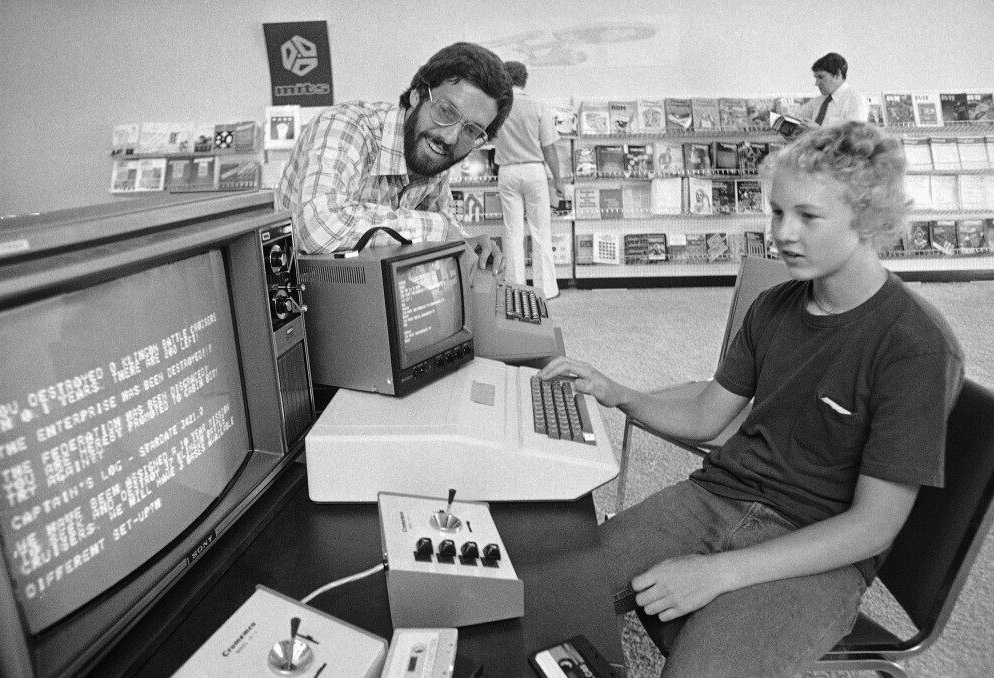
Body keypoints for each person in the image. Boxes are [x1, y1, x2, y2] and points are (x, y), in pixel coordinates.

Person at [539, 121, 964, 676]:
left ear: (868, 218)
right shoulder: (774, 307)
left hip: (817, 547)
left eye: (808, 217)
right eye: (777, 211)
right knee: (542, 600)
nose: (782, 233)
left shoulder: (917, 347)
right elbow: (708, 412)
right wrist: (617, 392)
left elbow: (872, 527)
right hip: (715, 497)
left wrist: (720, 572)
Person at [275, 42, 513, 271]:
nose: (451, 137)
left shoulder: (433, 153)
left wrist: (466, 240)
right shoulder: (348, 126)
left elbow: (445, 219)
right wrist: (442, 230)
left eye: (471, 130)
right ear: (417, 95)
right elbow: (318, 227)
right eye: (445, 110)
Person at [491, 60, 565, 299]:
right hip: (534, 171)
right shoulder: (538, 106)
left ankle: (515, 288)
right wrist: (559, 180)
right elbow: (549, 149)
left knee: (513, 231)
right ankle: (546, 289)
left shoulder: (497, 107)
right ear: (525, 80)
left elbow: (488, 140)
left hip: (507, 171)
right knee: (541, 230)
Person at [796, 52, 869, 128]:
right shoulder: (818, 101)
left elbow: (853, 137)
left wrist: (819, 131)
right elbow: (795, 116)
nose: (816, 83)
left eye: (821, 77)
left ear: (837, 74)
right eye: (816, 78)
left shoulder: (856, 101)